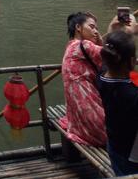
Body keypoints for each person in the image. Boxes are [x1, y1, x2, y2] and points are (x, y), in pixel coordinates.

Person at [59, 11, 107, 147]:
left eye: (97, 28)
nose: (96, 31)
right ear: (78, 28)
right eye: (92, 27)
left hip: (78, 118)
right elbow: (114, 58)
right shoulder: (84, 45)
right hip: (93, 121)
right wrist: (114, 30)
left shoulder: (70, 46)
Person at [98, 31, 138, 176]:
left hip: (114, 144)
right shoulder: (132, 94)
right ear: (132, 61)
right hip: (132, 156)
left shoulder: (102, 77)